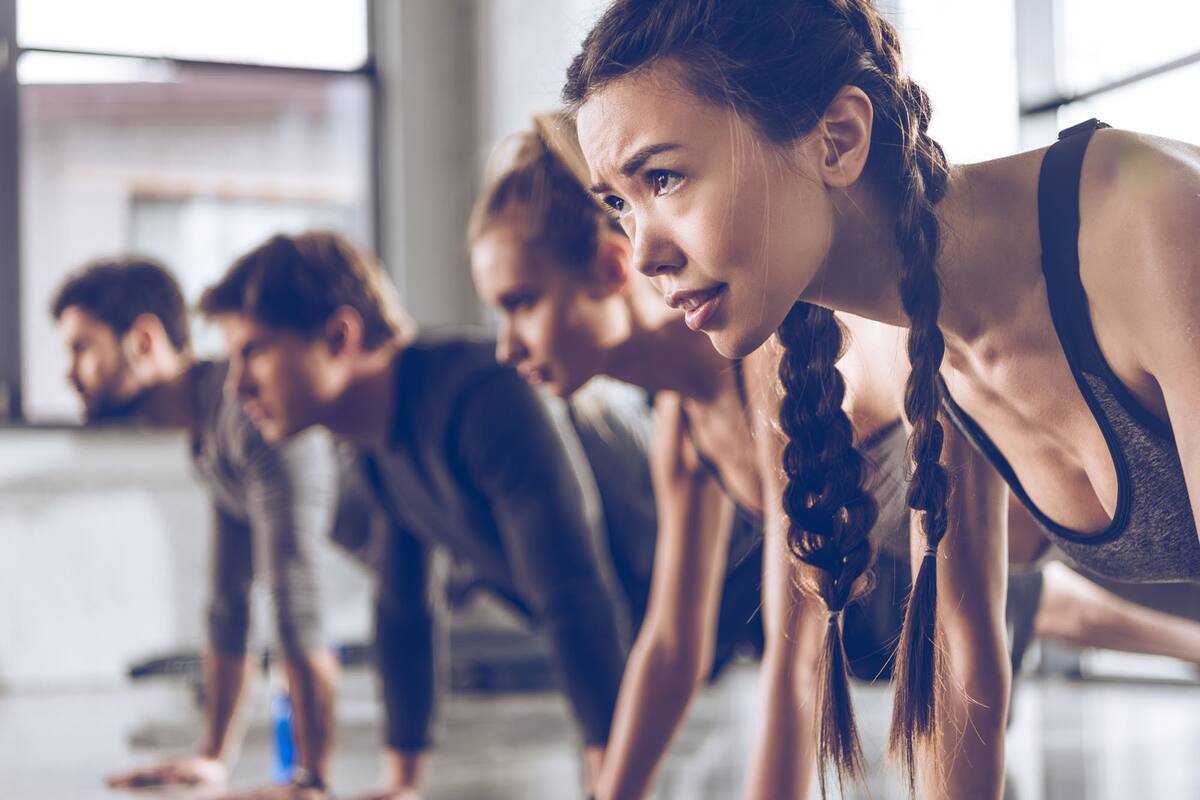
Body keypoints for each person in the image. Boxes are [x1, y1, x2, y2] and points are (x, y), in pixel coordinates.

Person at [562, 1, 1200, 796]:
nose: (643, 251)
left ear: (839, 138)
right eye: (620, 203)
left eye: (665, 177)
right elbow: (966, 663)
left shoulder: (1147, 224)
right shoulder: (903, 341)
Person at [197, 230, 648, 799]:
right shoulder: (375, 449)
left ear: (339, 336)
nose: (237, 386)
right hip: (645, 627)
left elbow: (574, 595)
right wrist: (399, 787)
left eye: (254, 351)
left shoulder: (482, 396)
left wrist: (610, 788)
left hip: (737, 575)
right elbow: (404, 610)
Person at [51, 259, 341, 796]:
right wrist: (212, 756)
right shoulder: (208, 434)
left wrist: (310, 781)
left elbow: (294, 598)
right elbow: (229, 604)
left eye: (82, 348)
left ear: (143, 340)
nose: (69, 374)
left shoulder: (246, 410)